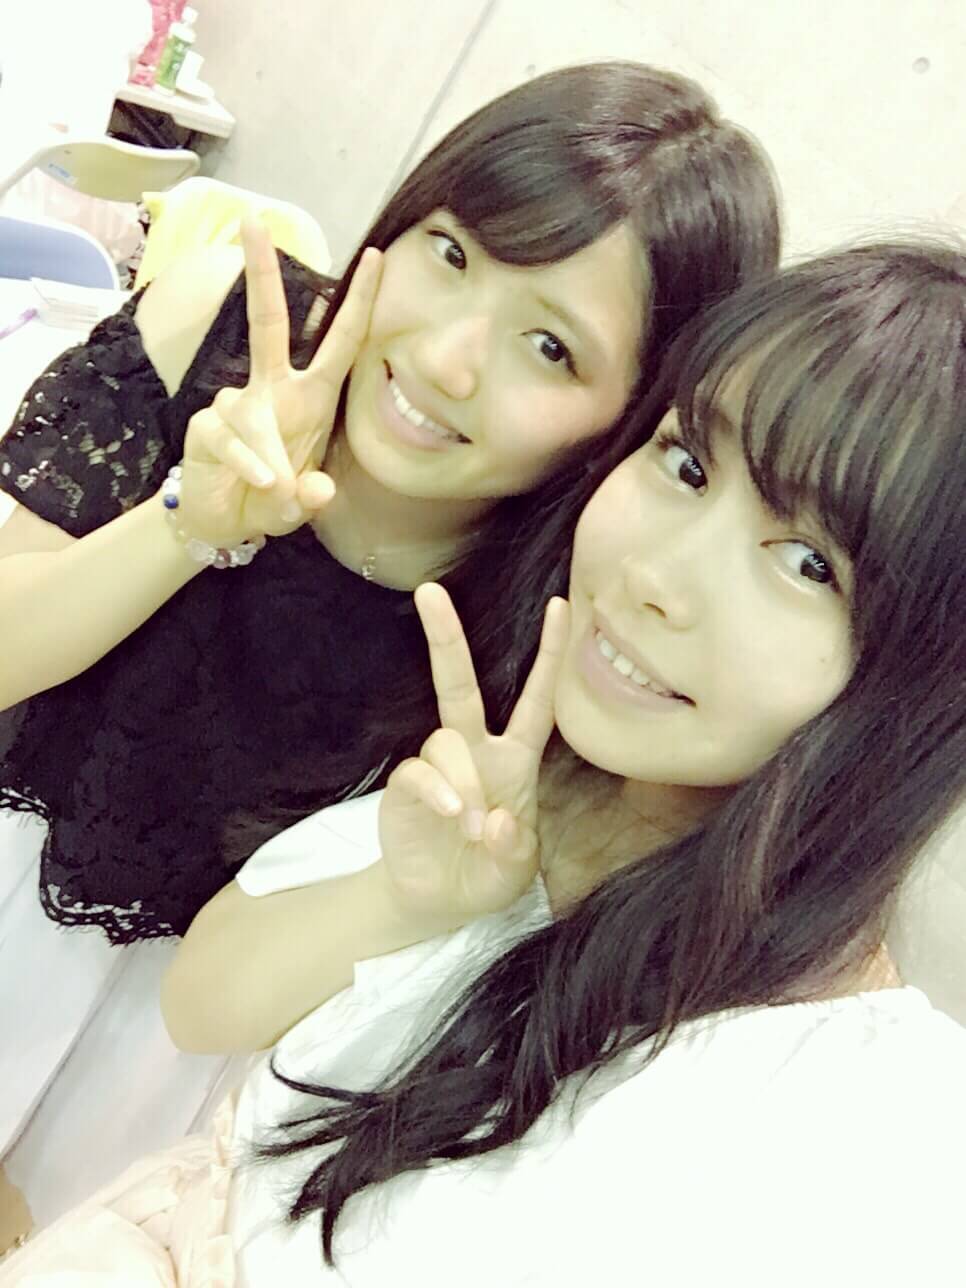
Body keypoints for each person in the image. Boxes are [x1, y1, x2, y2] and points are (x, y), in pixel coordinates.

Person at [7, 239, 952, 1284]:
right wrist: (401, 897)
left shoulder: (868, 1130)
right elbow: (201, 1004)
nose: (656, 576)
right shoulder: (510, 768)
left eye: (809, 564)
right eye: (687, 464)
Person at [0, 61, 780, 946]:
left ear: (637, 419)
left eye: (549, 347)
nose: (446, 361)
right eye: (452, 255)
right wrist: (185, 525)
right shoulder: (216, 321)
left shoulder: (553, 635)